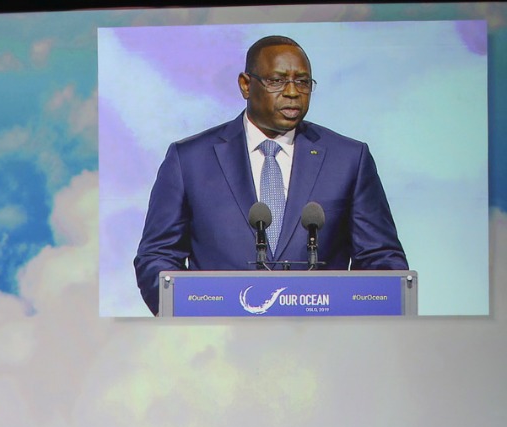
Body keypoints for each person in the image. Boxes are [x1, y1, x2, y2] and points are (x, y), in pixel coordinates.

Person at [133, 35, 408, 315]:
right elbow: (157, 258)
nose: (292, 92)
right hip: (217, 343)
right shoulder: (190, 160)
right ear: (245, 85)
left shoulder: (348, 158)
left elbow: (381, 259)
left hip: (322, 344)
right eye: (277, 81)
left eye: (302, 82)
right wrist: (190, 317)